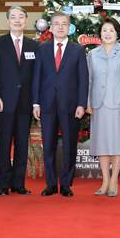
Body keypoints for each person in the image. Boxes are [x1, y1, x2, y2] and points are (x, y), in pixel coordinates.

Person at [32, 12, 89, 197]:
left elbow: (83, 80)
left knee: (69, 145)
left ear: (69, 27)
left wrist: (82, 103)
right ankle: (50, 184)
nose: (60, 27)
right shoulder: (42, 49)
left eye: (64, 24)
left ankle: (66, 183)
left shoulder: (78, 50)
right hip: (47, 104)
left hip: (71, 105)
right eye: (56, 24)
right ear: (50, 27)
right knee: (47, 145)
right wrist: (35, 103)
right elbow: (37, 78)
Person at [0, 6, 36, 195]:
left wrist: (35, 103)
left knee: (22, 145)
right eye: (14, 17)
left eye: (21, 17)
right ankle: (3, 184)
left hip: (25, 103)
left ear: (26, 20)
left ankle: (18, 183)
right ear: (8, 20)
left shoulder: (34, 46)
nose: (17, 20)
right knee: (3, 144)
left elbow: (35, 77)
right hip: (4, 102)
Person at [87, 18, 120, 197]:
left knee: (116, 143)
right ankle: (105, 180)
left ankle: (114, 180)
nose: (107, 33)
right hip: (98, 105)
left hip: (117, 105)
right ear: (100, 34)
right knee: (101, 143)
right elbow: (89, 80)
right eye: (104, 30)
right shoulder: (92, 54)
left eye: (111, 30)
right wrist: (88, 102)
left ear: (117, 34)